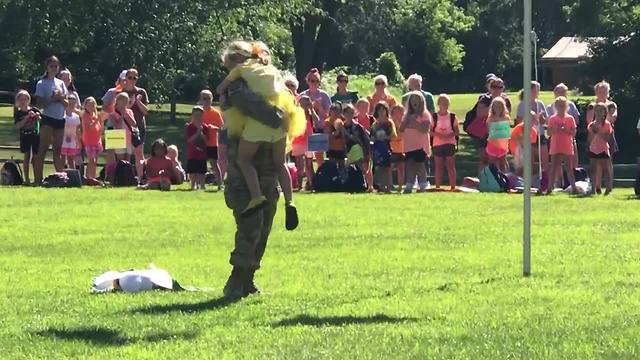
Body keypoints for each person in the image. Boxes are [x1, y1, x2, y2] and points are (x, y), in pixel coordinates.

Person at [216, 41, 305, 229]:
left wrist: (224, 93)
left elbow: (220, 88)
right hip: (281, 119)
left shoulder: (240, 70)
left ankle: (256, 197)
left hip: (259, 123)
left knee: (244, 160)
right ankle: (290, 201)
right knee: (280, 164)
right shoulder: (268, 67)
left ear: (235, 58)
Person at [33, 56, 69, 184]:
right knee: (43, 148)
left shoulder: (61, 83)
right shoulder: (42, 83)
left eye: (56, 66)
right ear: (47, 67)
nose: (54, 68)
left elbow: (66, 104)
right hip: (48, 118)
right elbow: (40, 104)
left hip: (60, 118)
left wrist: (60, 98)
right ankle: (38, 179)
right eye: (51, 66)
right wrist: (52, 99)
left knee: (58, 150)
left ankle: (61, 178)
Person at [400, 92, 431, 193]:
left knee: (420, 165)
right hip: (409, 145)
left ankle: (423, 184)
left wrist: (414, 123)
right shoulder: (407, 115)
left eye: (417, 100)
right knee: (410, 164)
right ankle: (409, 184)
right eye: (413, 100)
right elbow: (401, 128)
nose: (415, 102)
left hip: (420, 145)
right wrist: (406, 121)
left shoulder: (425, 115)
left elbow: (425, 129)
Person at [121, 68, 149, 180]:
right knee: (121, 153)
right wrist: (129, 105)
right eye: (130, 77)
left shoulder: (141, 92)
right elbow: (116, 110)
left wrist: (138, 102)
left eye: (135, 77)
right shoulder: (120, 92)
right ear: (126, 78)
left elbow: (146, 111)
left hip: (138, 126)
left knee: (138, 153)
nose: (132, 80)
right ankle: (123, 177)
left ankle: (140, 177)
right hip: (122, 127)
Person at [300, 68, 332, 167]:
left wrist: (320, 108)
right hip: (305, 130)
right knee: (307, 158)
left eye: (317, 81)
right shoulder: (303, 95)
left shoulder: (324, 95)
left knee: (319, 156)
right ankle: (310, 179)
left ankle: (320, 176)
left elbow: (328, 116)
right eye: (312, 80)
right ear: (308, 81)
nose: (314, 83)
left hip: (319, 129)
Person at [547, 96, 577, 194]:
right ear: (555, 107)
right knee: (554, 167)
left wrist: (566, 130)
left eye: (563, 106)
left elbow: (573, 132)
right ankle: (549, 188)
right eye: (559, 106)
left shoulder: (570, 118)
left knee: (569, 167)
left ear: (566, 107)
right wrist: (555, 129)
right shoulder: (552, 118)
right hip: (556, 145)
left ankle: (574, 187)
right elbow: (549, 132)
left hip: (567, 145)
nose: (561, 108)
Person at [13, 90, 42, 184]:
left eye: (25, 99)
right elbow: (17, 126)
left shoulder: (34, 109)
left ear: (28, 100)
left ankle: (37, 179)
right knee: (27, 156)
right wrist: (27, 118)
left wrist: (37, 116)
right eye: (21, 99)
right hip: (25, 136)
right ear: (18, 101)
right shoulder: (18, 113)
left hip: (35, 135)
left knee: (36, 157)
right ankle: (27, 179)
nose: (23, 101)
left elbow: (42, 121)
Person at [432, 94, 459, 190]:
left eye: (446, 103)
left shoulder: (452, 117)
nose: (445, 105)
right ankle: (437, 187)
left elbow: (456, 131)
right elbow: (430, 131)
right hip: (437, 144)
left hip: (449, 143)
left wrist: (449, 136)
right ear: (439, 104)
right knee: (438, 166)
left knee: (450, 166)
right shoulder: (434, 117)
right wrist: (439, 135)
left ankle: (453, 187)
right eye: (443, 103)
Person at [200, 90, 225, 190]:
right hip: (201, 142)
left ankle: (220, 184)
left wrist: (214, 128)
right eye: (204, 98)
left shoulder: (216, 113)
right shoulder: (198, 112)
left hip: (212, 143)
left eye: (208, 98)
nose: (206, 101)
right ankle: (201, 185)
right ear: (200, 100)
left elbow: (222, 128)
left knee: (214, 164)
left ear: (212, 99)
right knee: (200, 164)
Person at [370, 102, 397, 193]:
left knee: (388, 168)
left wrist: (385, 137)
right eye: (379, 110)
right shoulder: (375, 124)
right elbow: (372, 137)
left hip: (387, 148)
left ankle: (388, 187)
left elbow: (394, 136)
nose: (381, 112)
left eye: (383, 110)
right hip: (378, 149)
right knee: (380, 169)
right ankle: (381, 187)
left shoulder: (389, 123)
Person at [587, 103, 613, 195]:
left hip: (603, 149)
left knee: (606, 169)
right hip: (593, 149)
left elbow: (607, 138)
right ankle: (593, 188)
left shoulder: (607, 124)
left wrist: (598, 131)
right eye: (597, 110)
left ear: (604, 112)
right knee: (593, 169)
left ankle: (608, 188)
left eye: (601, 111)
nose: (598, 113)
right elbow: (589, 139)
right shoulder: (591, 125)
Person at [291, 95, 316, 191]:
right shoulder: (296, 114)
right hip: (298, 141)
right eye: (303, 103)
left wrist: (312, 109)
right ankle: (299, 185)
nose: (305, 105)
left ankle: (310, 184)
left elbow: (317, 121)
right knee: (299, 164)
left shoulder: (310, 114)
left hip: (309, 142)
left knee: (309, 164)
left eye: (307, 103)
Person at [108, 92, 138, 162]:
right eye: (124, 100)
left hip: (128, 136)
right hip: (116, 136)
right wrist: (122, 115)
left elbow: (134, 124)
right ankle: (118, 172)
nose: (125, 103)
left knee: (128, 159)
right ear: (118, 101)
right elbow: (118, 127)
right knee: (120, 159)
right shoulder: (112, 113)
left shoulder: (129, 111)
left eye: (127, 100)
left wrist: (127, 114)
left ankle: (126, 172)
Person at [342, 104, 371, 176]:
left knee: (357, 149)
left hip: (357, 150)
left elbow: (365, 140)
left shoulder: (357, 127)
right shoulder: (341, 126)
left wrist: (367, 153)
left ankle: (362, 180)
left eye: (351, 112)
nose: (349, 115)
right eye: (348, 113)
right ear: (343, 114)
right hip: (344, 151)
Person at [81, 97, 106, 179]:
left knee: (95, 161)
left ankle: (93, 177)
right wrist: (98, 119)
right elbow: (90, 127)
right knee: (91, 160)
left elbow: (100, 129)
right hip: (89, 141)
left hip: (97, 140)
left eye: (92, 105)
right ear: (85, 106)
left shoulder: (96, 115)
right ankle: (88, 177)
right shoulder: (85, 115)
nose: (91, 107)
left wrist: (101, 121)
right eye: (89, 105)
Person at [185, 106, 209, 190]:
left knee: (202, 171)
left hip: (202, 154)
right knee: (192, 171)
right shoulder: (190, 127)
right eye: (196, 115)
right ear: (192, 116)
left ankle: (202, 185)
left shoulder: (205, 127)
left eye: (199, 115)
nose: (197, 118)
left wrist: (201, 133)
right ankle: (193, 185)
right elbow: (189, 140)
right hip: (192, 153)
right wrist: (197, 132)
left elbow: (206, 141)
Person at [486, 97, 511, 172]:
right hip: (493, 143)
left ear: (503, 107)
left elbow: (507, 130)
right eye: (496, 106)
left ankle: (505, 179)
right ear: (492, 107)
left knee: (502, 162)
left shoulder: (506, 118)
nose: (498, 108)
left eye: (500, 107)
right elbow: (489, 131)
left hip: (503, 143)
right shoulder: (490, 118)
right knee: (492, 163)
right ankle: (493, 179)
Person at [324, 103, 347, 167]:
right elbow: (327, 136)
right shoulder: (327, 122)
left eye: (338, 112)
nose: (336, 114)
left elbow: (344, 135)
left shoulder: (341, 122)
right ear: (330, 112)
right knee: (332, 166)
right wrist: (335, 133)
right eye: (334, 112)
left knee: (342, 166)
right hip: (331, 148)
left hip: (341, 148)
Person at [61, 96, 81, 169]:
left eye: (73, 103)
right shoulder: (62, 115)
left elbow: (77, 130)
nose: (72, 105)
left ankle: (72, 176)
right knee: (62, 158)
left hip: (72, 141)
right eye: (70, 103)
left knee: (71, 159)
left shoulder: (76, 117)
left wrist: (78, 141)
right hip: (63, 140)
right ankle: (61, 175)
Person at [389, 105, 406, 192]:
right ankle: (389, 184)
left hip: (401, 149)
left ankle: (400, 186)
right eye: (397, 112)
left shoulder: (403, 123)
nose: (399, 114)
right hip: (392, 149)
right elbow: (394, 136)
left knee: (401, 168)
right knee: (389, 168)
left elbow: (402, 135)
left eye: (401, 112)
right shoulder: (390, 123)